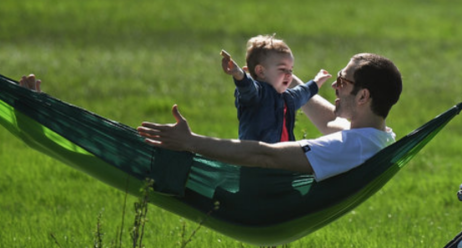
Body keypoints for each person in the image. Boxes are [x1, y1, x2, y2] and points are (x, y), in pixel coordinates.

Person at [137, 53, 403, 181]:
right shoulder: (378, 137)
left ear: (362, 96)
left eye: (343, 81)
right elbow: (332, 122)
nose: (334, 86)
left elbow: (265, 155)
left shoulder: (345, 147)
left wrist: (190, 142)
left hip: (262, 212)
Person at [221, 34, 330, 143]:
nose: (288, 74)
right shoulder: (257, 94)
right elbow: (247, 87)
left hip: (281, 155)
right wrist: (238, 74)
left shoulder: (287, 97)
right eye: (282, 69)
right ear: (261, 71)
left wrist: (316, 81)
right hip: (256, 156)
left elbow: (303, 93)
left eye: (290, 70)